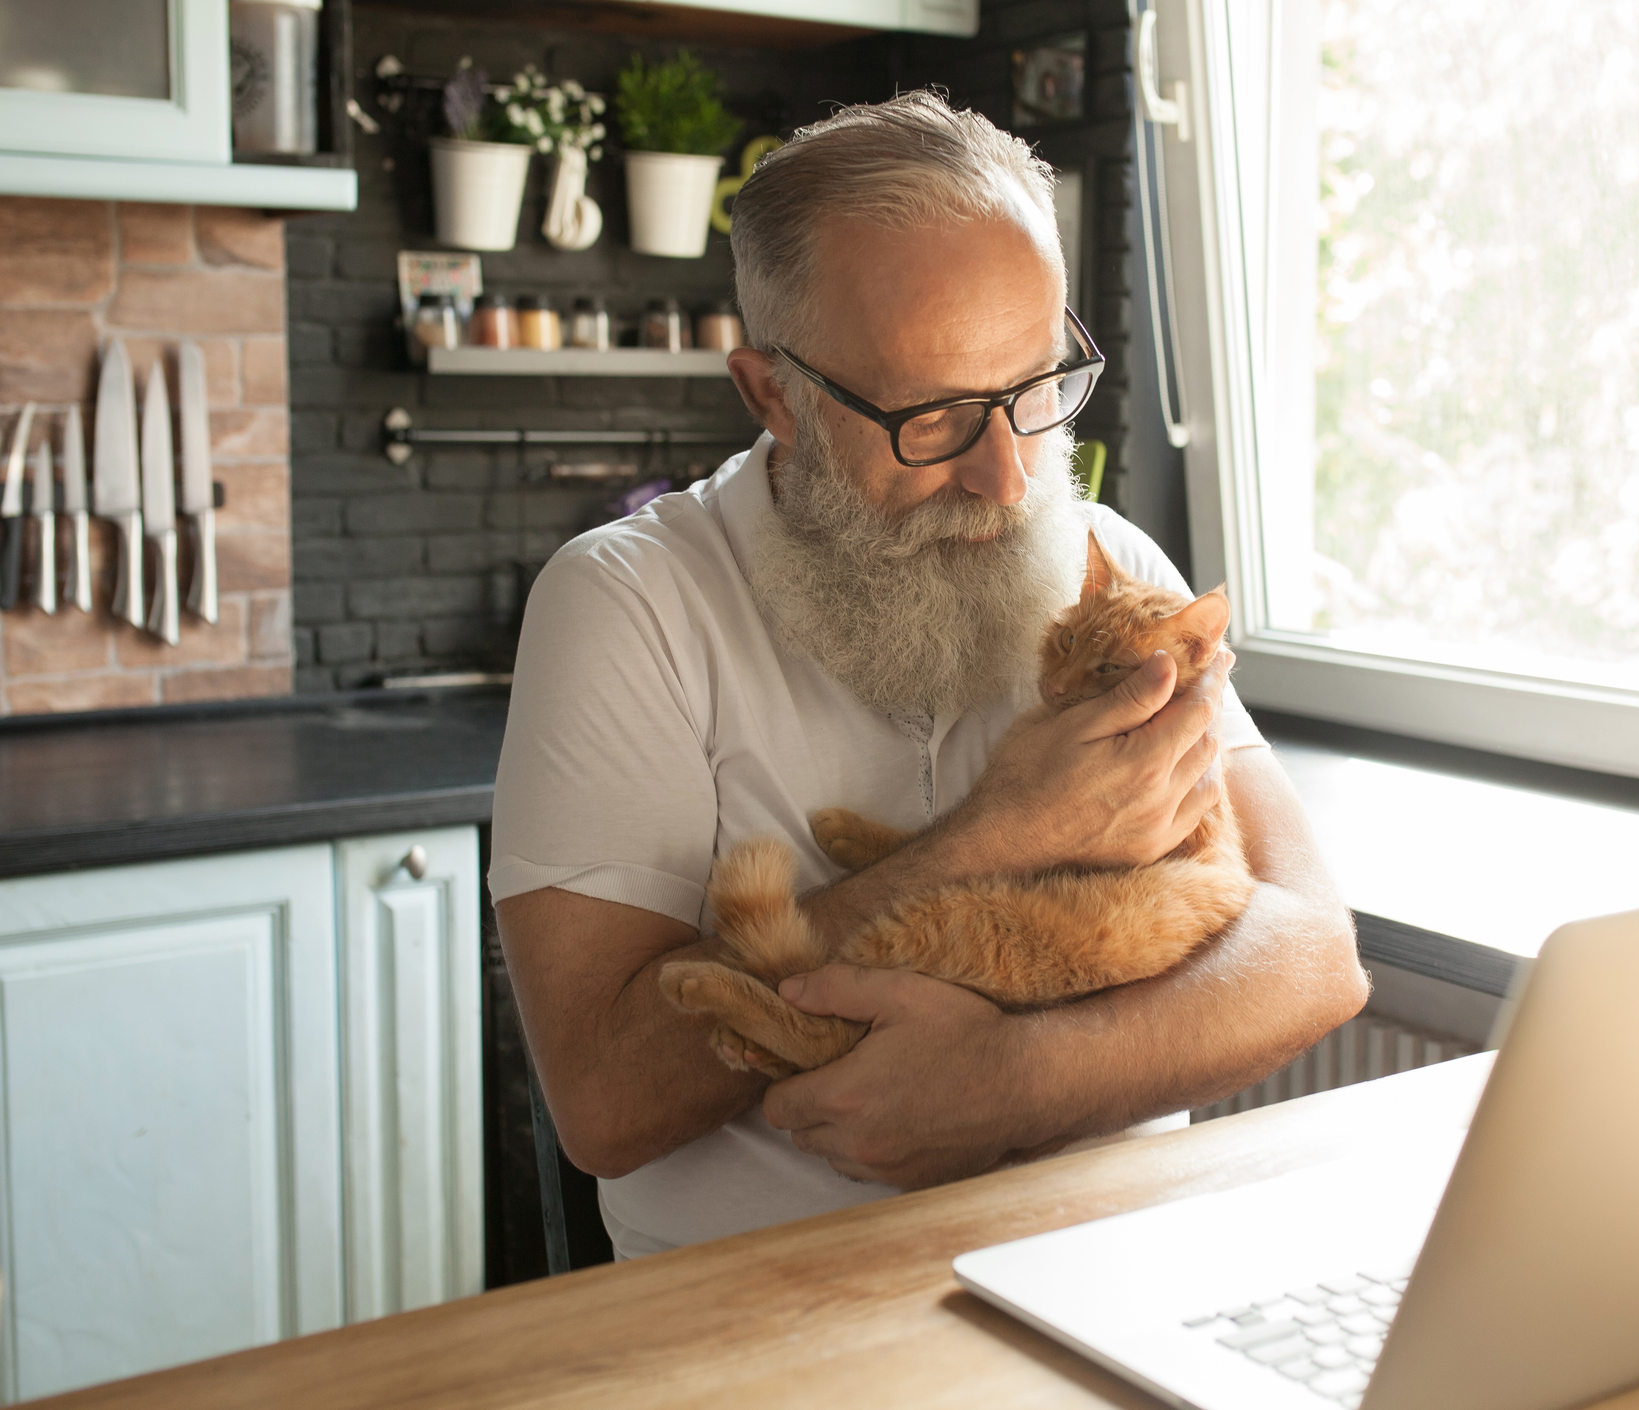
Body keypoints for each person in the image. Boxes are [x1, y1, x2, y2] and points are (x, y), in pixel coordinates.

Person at [490, 92, 1367, 1260]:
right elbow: (603, 1103)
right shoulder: (627, 605)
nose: (1008, 479)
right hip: (767, 1330)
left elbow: (1313, 959)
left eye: (1036, 390)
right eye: (936, 420)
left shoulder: (1112, 563)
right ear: (773, 396)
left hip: (1123, 1284)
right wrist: (991, 836)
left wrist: (1015, 1082)